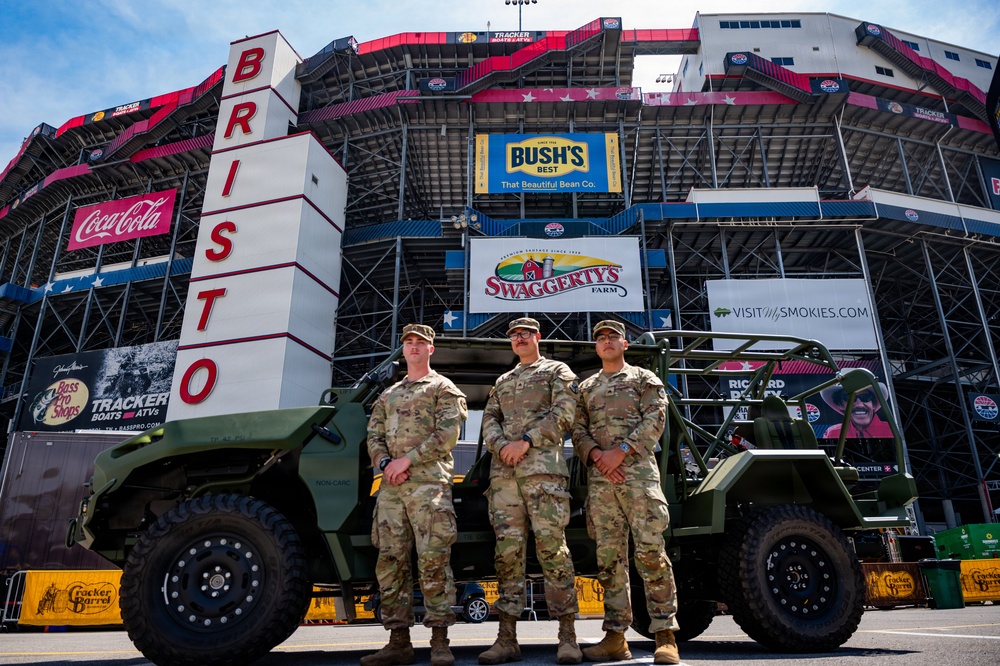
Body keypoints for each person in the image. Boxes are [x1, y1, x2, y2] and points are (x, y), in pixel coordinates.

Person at [571, 320, 680, 665]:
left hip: (638, 478)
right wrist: (596, 456)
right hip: (602, 484)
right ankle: (616, 637)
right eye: (600, 338)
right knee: (609, 562)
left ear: (625, 344)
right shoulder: (586, 387)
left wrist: (621, 451)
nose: (606, 342)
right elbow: (576, 428)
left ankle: (665, 636)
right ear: (596, 347)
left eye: (612, 337)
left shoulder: (644, 379)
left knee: (650, 554)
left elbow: (655, 419)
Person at [363, 323, 468, 666]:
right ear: (403, 349)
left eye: (420, 343)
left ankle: (440, 642)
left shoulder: (443, 388)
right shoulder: (388, 395)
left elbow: (448, 434)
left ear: (430, 349)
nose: (413, 347)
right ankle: (398, 642)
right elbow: (373, 433)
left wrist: (407, 460)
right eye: (408, 342)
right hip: (392, 489)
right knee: (390, 562)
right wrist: (385, 463)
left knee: (433, 561)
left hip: (429, 487)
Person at [479, 317, 583, 665]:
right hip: (505, 480)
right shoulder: (503, 380)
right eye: (514, 335)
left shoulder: (557, 371)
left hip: (544, 478)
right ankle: (506, 638)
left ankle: (568, 637)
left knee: (554, 552)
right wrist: (501, 445)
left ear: (538, 337)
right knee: (507, 556)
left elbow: (566, 412)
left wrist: (526, 441)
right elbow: (488, 419)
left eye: (525, 334)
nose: (519, 339)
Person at [820, 382, 893, 439]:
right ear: (840, 405)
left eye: (865, 397)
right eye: (849, 398)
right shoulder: (833, 433)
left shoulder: (892, 431)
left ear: (874, 404)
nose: (859, 405)